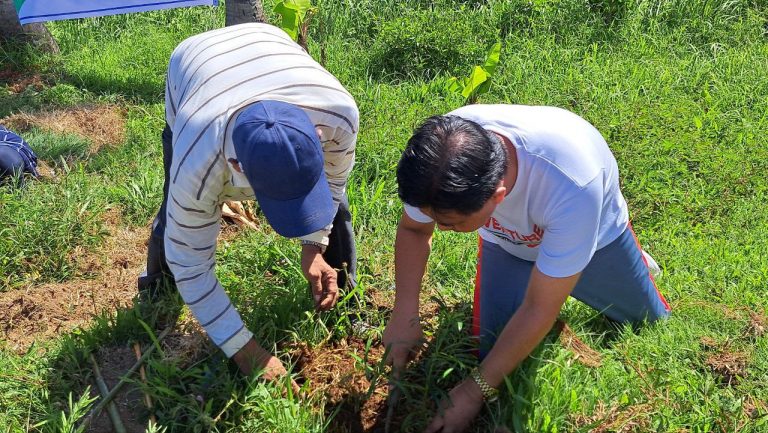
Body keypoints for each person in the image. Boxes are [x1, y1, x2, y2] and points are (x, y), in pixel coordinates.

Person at [382, 105, 670, 432]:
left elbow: (539, 307)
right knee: (492, 350)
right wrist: (404, 314)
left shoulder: (572, 185)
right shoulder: (434, 164)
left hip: (595, 236)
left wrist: (474, 392)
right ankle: (557, 263)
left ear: (497, 196)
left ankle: (593, 259)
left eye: (451, 224)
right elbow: (414, 230)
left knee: (647, 320)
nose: (441, 229)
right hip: (509, 242)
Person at [139, 22, 358, 388]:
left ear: (316, 137)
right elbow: (191, 263)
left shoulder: (338, 115)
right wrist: (246, 351)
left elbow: (335, 180)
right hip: (196, 64)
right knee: (175, 216)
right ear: (237, 167)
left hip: (265, 41)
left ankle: (346, 299)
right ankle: (159, 287)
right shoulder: (197, 161)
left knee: (340, 209)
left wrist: (314, 245)